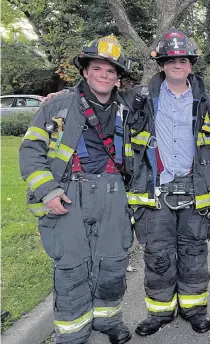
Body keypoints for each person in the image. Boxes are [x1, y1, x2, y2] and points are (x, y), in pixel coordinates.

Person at [19, 35, 134, 344]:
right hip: (69, 193)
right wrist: (48, 191)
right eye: (98, 68)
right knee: (71, 267)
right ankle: (72, 335)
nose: (105, 75)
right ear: (85, 71)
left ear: (118, 78)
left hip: (113, 193)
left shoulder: (128, 107)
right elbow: (30, 150)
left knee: (112, 262)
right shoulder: (58, 104)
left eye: (112, 71)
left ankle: (108, 320)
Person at [125, 28, 210, 337]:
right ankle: (160, 312)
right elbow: (101, 95)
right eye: (170, 60)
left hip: (194, 188)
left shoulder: (207, 99)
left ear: (190, 65)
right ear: (163, 65)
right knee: (158, 254)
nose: (177, 64)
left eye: (183, 60)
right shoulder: (142, 99)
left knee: (194, 252)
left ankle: (194, 309)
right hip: (157, 191)